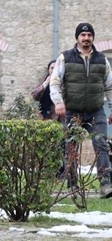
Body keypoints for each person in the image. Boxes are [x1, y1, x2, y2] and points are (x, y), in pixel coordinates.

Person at [49, 22, 112, 198]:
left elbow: (110, 87)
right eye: (83, 35)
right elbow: (55, 82)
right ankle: (72, 185)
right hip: (72, 111)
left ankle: (106, 184)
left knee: (101, 144)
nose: (86, 38)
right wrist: (58, 102)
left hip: (95, 111)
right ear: (77, 38)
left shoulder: (102, 60)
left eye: (89, 35)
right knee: (70, 147)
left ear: (93, 37)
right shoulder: (65, 58)